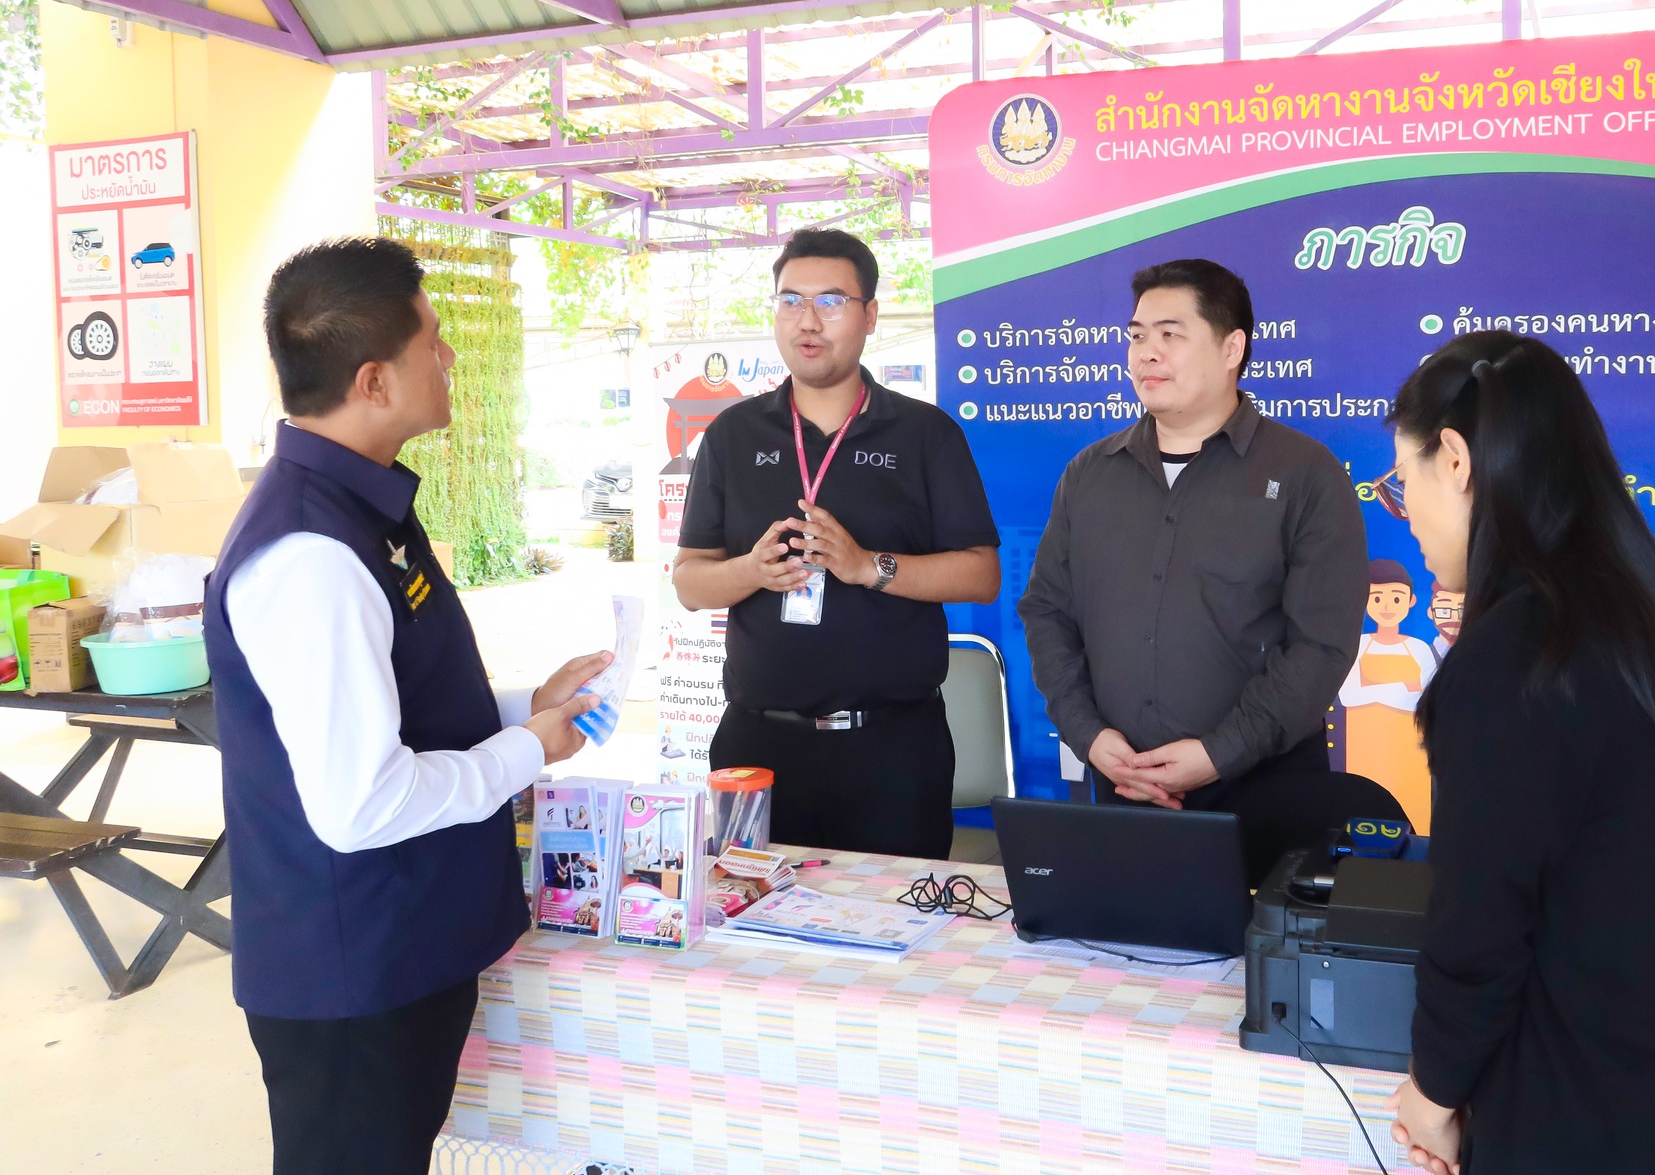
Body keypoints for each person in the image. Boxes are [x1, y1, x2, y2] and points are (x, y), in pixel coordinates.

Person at [204, 237, 608, 1175]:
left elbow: (386, 703)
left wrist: (525, 704)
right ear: (375, 380)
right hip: (354, 973)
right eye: (433, 338)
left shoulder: (357, 505)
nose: (451, 355)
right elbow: (362, 802)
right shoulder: (310, 553)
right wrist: (528, 749)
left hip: (399, 949)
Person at [1381, 332, 1655, 1175]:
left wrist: (1434, 1089)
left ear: (1454, 460)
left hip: (1584, 1120)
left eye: (1401, 482)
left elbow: (1480, 925)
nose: (1405, 511)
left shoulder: (1518, 655)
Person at [673, 228, 999, 859]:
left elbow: (980, 575)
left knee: (897, 915)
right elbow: (689, 580)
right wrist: (752, 571)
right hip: (757, 746)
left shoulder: (925, 433)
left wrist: (866, 566)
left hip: (893, 749)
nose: (808, 320)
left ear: (870, 315)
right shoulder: (732, 435)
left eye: (831, 301)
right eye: (790, 300)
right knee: (754, 911)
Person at [1019, 258, 1367, 816]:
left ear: (1232, 349)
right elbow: (1047, 612)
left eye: (1170, 335)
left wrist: (1219, 752)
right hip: (1120, 786)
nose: (1146, 354)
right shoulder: (1090, 474)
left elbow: (1321, 645)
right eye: (1137, 336)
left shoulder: (1305, 473)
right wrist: (1089, 735)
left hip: (1263, 792)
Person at [1338, 558, 1439, 830]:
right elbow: (1350, 696)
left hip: (1410, 747)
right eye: (1376, 597)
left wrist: (1373, 689)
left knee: (1414, 816)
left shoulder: (1419, 648)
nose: (1386, 606)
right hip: (1362, 744)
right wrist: (1404, 686)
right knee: (1363, 809)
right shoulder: (1357, 646)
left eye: (1396, 598)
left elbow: (1425, 698)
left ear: (1411, 601)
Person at [1427, 581, 1465, 661]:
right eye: (1444, 611)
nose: (1455, 618)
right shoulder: (1420, 656)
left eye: (1462, 611)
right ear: (1431, 613)